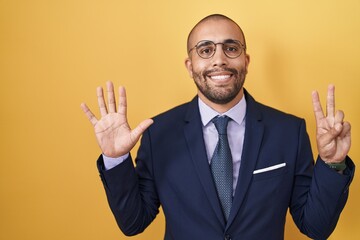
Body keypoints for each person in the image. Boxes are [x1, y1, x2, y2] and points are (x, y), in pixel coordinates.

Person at [81, 14, 355, 240]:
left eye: (231, 48)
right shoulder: (158, 133)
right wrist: (116, 159)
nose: (219, 59)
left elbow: (316, 227)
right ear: (190, 65)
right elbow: (133, 222)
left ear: (246, 61)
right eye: (206, 49)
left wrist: (332, 163)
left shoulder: (289, 132)